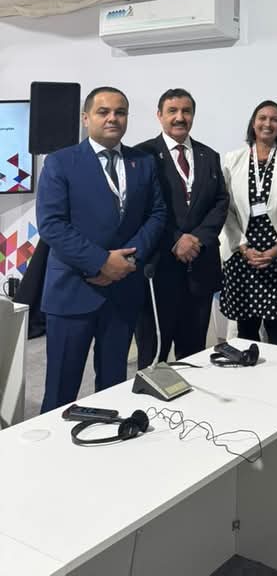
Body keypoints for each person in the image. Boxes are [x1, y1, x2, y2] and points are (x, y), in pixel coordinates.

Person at [36, 86, 165, 412]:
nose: (112, 118)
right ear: (86, 118)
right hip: (72, 291)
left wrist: (126, 262)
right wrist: (101, 262)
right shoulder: (60, 162)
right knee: (60, 392)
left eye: (120, 112)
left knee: (113, 390)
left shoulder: (143, 162)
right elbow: (51, 224)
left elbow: (157, 214)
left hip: (122, 291)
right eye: (103, 112)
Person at [134, 88, 229, 368]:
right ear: (159, 115)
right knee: (154, 360)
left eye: (186, 111)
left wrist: (196, 239)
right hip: (158, 271)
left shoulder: (208, 155)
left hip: (199, 271)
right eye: (172, 111)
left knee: (194, 357)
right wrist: (176, 240)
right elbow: (142, 209)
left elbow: (220, 202)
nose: (180, 117)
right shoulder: (142, 155)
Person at [220, 100, 277, 347]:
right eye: (262, 118)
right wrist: (243, 247)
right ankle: (247, 371)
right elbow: (225, 208)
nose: (267, 123)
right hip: (242, 256)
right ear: (253, 123)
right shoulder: (233, 158)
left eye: (274, 119)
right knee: (246, 330)